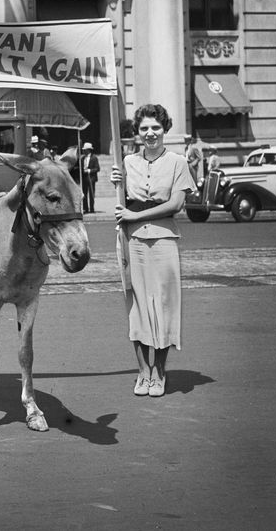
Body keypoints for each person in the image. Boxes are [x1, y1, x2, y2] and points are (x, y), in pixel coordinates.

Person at [110, 103, 195, 398]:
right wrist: (118, 187)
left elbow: (175, 204)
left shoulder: (178, 162)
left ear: (165, 129)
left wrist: (136, 216)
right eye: (144, 128)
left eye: (155, 128)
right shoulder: (128, 163)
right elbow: (124, 205)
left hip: (163, 240)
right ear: (138, 132)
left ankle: (159, 371)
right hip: (132, 241)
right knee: (136, 306)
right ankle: (142, 371)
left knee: (163, 307)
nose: (150, 133)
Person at [79, 142, 100, 213]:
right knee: (84, 194)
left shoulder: (94, 158)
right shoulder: (82, 158)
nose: (83, 151)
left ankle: (91, 208)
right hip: (84, 179)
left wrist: (89, 171)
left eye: (85, 150)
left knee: (91, 194)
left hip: (91, 178)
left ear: (88, 150)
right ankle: (85, 208)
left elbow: (97, 168)